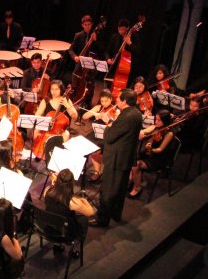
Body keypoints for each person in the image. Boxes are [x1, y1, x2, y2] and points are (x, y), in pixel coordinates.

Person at [91, 89, 143, 227]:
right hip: (126, 157)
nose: (117, 101)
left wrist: (108, 123)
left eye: (119, 99)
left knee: (108, 190)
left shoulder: (126, 116)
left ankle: (102, 219)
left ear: (125, 101)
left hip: (117, 158)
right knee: (119, 189)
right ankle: (115, 214)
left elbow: (110, 136)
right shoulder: (137, 113)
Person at [129, 109, 176, 198]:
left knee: (136, 164)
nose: (156, 122)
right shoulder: (156, 126)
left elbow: (160, 149)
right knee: (131, 157)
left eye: (159, 120)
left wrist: (151, 149)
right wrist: (141, 132)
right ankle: (133, 179)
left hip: (158, 158)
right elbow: (146, 131)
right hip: (148, 153)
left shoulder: (169, 133)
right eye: (156, 119)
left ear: (165, 121)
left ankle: (137, 188)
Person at [43, 169, 96, 243]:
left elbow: (55, 191)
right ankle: (80, 238)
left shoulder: (47, 191)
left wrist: (54, 184)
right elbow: (91, 212)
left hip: (49, 229)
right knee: (83, 218)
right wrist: (83, 199)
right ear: (72, 183)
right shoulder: (73, 202)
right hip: (64, 234)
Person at [105, 18, 140, 88]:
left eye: (123, 29)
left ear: (127, 28)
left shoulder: (134, 37)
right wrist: (108, 59)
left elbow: (138, 51)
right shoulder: (114, 37)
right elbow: (107, 51)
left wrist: (130, 43)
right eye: (119, 29)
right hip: (113, 68)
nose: (121, 31)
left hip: (126, 70)